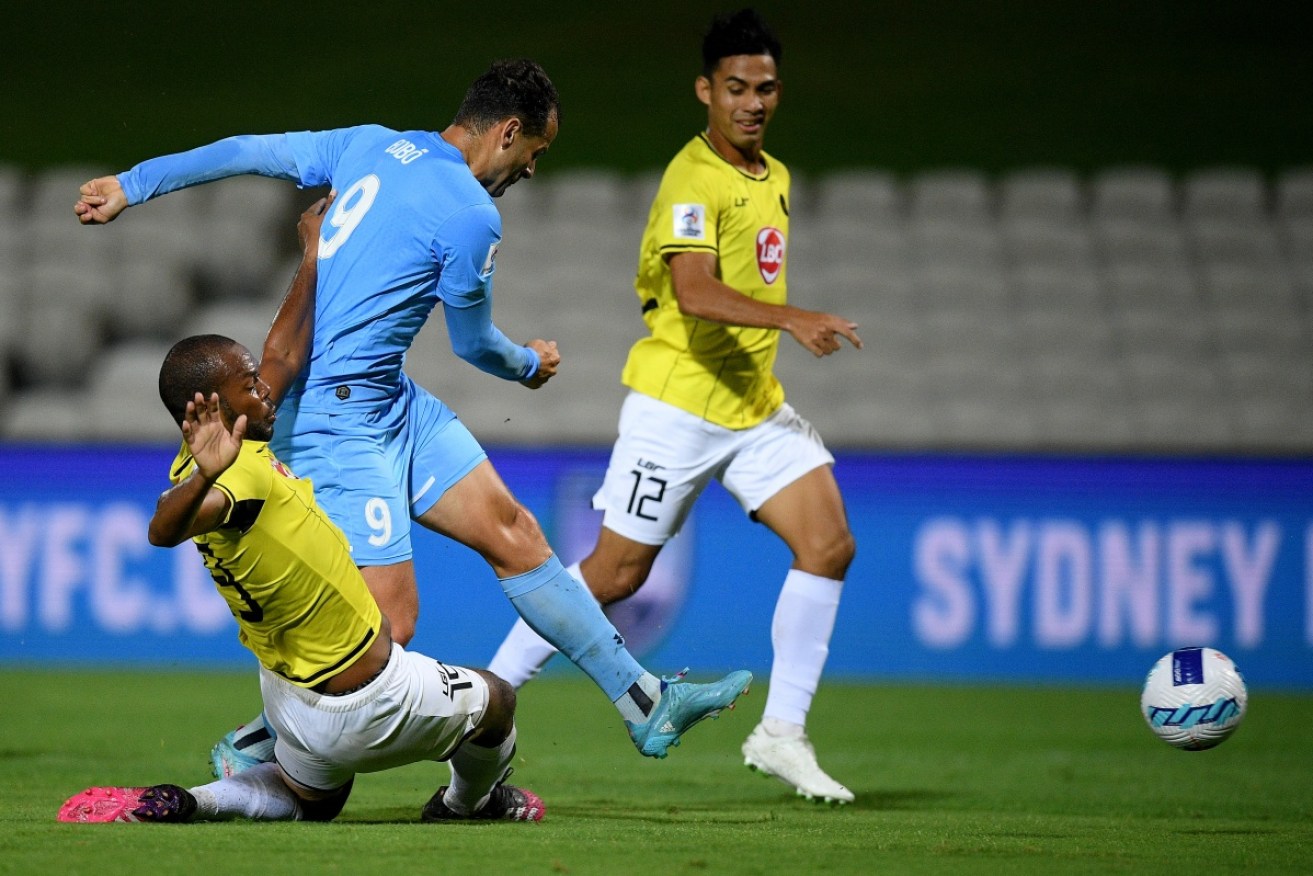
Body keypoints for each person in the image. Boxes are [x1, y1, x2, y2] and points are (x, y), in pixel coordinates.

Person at [74, 59, 751, 773]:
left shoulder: (368, 142)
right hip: (336, 422)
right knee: (388, 626)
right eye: (533, 155)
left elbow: (247, 149)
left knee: (515, 533)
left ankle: (645, 702)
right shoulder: (469, 213)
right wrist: (528, 365)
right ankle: (259, 740)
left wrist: (133, 184)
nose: (529, 172)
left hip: (391, 401)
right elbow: (473, 344)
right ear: (509, 132)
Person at [488, 11, 860, 804]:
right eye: (734, 88)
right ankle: (486, 692)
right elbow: (691, 290)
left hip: (753, 407)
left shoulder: (777, 178)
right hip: (678, 405)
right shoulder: (691, 179)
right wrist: (793, 320)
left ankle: (781, 734)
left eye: (763, 89)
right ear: (705, 91)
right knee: (617, 573)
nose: (750, 103)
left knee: (828, 544)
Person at [60, 326, 544, 824]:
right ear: (213, 406)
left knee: (315, 801)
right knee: (497, 699)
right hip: (367, 702)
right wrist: (208, 474)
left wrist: (313, 257)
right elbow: (162, 531)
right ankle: (464, 805)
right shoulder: (232, 474)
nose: (264, 388)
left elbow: (281, 355)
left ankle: (190, 800)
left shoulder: (223, 449)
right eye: (249, 384)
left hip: (293, 698)